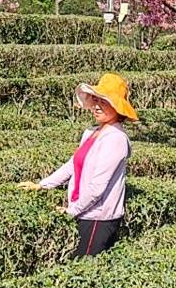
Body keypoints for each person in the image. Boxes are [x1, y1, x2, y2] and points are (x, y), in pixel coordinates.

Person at [19, 72, 136, 257]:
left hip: (99, 218)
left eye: (104, 102)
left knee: (84, 268)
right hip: (84, 212)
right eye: (96, 100)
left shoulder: (116, 139)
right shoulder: (91, 132)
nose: (97, 106)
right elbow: (73, 164)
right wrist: (42, 185)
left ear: (117, 108)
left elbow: (97, 187)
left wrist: (71, 211)